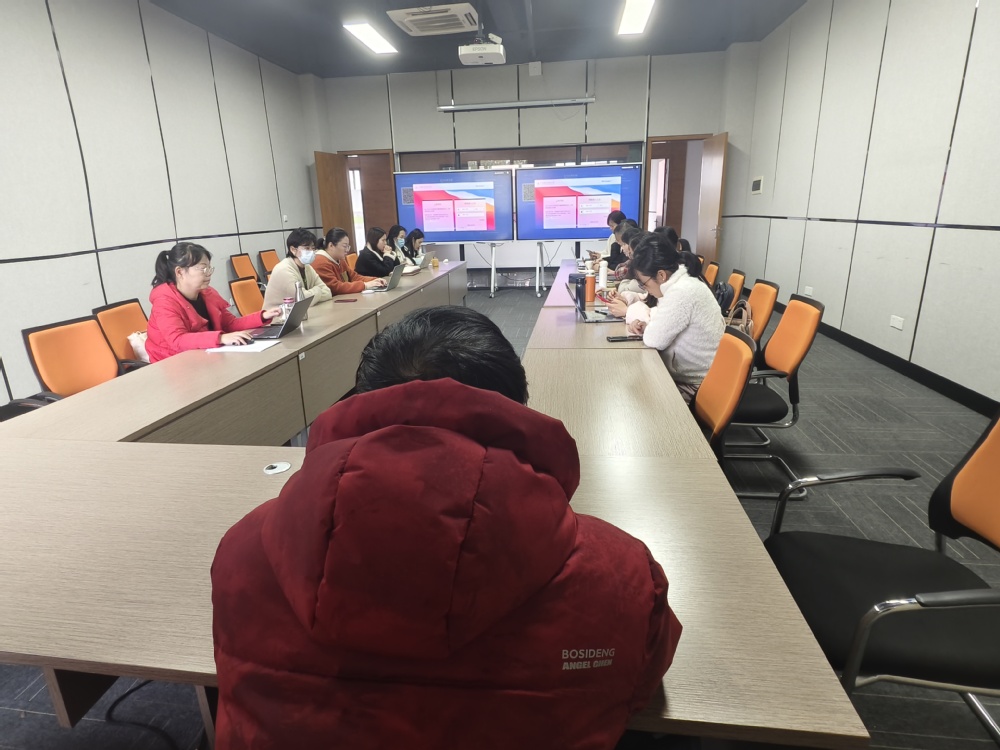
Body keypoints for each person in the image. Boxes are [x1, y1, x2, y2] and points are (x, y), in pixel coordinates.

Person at [212, 305, 683, 750]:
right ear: (515, 408)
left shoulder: (243, 554)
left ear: (360, 404)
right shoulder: (623, 577)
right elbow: (643, 684)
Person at [625, 233, 725, 404]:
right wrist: (647, 325)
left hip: (698, 385)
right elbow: (662, 322)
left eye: (644, 283)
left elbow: (654, 339)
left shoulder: (681, 292)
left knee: (636, 398)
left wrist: (649, 327)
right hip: (697, 374)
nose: (645, 289)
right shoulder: (682, 284)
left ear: (661, 275)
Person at [145, 242, 279, 363]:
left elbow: (230, 324)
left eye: (209, 268)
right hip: (173, 363)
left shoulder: (207, 293)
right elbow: (178, 340)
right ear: (179, 272)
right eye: (203, 268)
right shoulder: (164, 301)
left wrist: (262, 316)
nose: (209, 273)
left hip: (204, 356)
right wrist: (220, 338)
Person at [262, 228, 333, 310]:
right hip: (277, 316)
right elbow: (304, 300)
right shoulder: (283, 269)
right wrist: (318, 290)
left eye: (313, 248)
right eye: (307, 248)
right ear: (293, 250)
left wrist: (312, 295)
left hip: (299, 312)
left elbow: (328, 292)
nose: (311, 252)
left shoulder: (307, 267)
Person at [313, 227, 386, 295]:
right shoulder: (320, 261)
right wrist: (365, 285)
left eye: (348, 246)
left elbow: (354, 277)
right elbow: (335, 287)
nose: (347, 250)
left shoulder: (340, 259)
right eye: (345, 246)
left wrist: (375, 280)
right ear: (331, 245)